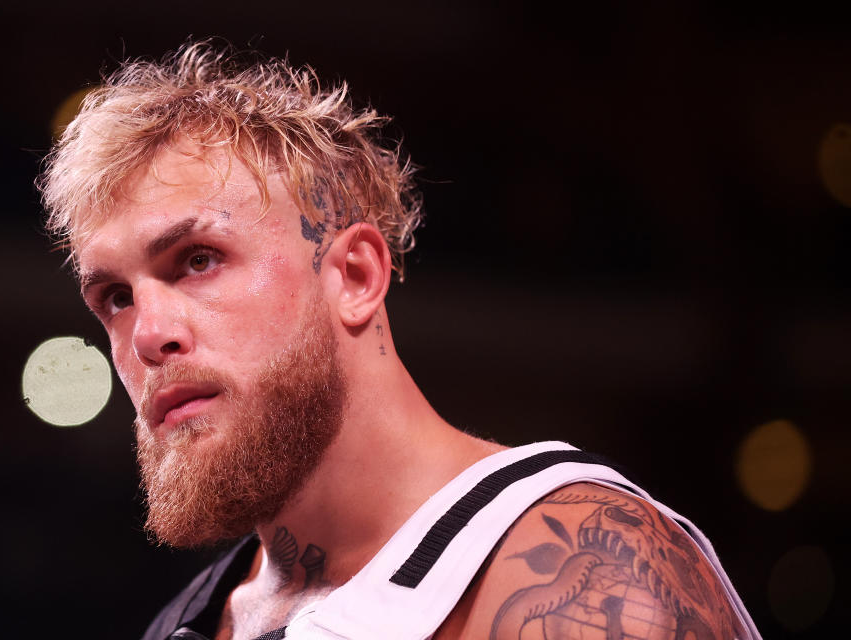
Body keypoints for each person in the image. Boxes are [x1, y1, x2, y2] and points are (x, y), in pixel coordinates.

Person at [38, 41, 761, 640]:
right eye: (115, 298)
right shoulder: (185, 624)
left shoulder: (586, 566)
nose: (148, 334)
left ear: (353, 275)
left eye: (197, 260)